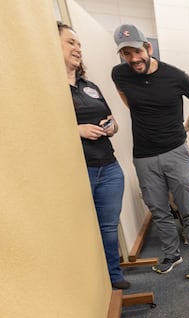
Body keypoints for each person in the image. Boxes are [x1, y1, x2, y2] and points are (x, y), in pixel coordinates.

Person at [111, 24, 189, 279]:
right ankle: (172, 254)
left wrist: (187, 126)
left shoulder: (175, 76)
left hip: (175, 151)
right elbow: (127, 98)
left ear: (148, 48)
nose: (133, 59)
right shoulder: (119, 75)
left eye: (137, 52)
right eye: (126, 54)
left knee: (188, 209)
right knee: (158, 209)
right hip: (143, 155)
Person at [58, 22, 130, 290]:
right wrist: (75, 130)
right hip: (79, 170)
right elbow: (39, 129)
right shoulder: (49, 89)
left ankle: (113, 275)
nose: (77, 48)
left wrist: (112, 126)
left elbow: (113, 120)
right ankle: (88, 285)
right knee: (80, 230)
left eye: (79, 44)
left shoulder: (90, 87)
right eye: (70, 43)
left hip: (108, 167)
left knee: (109, 227)